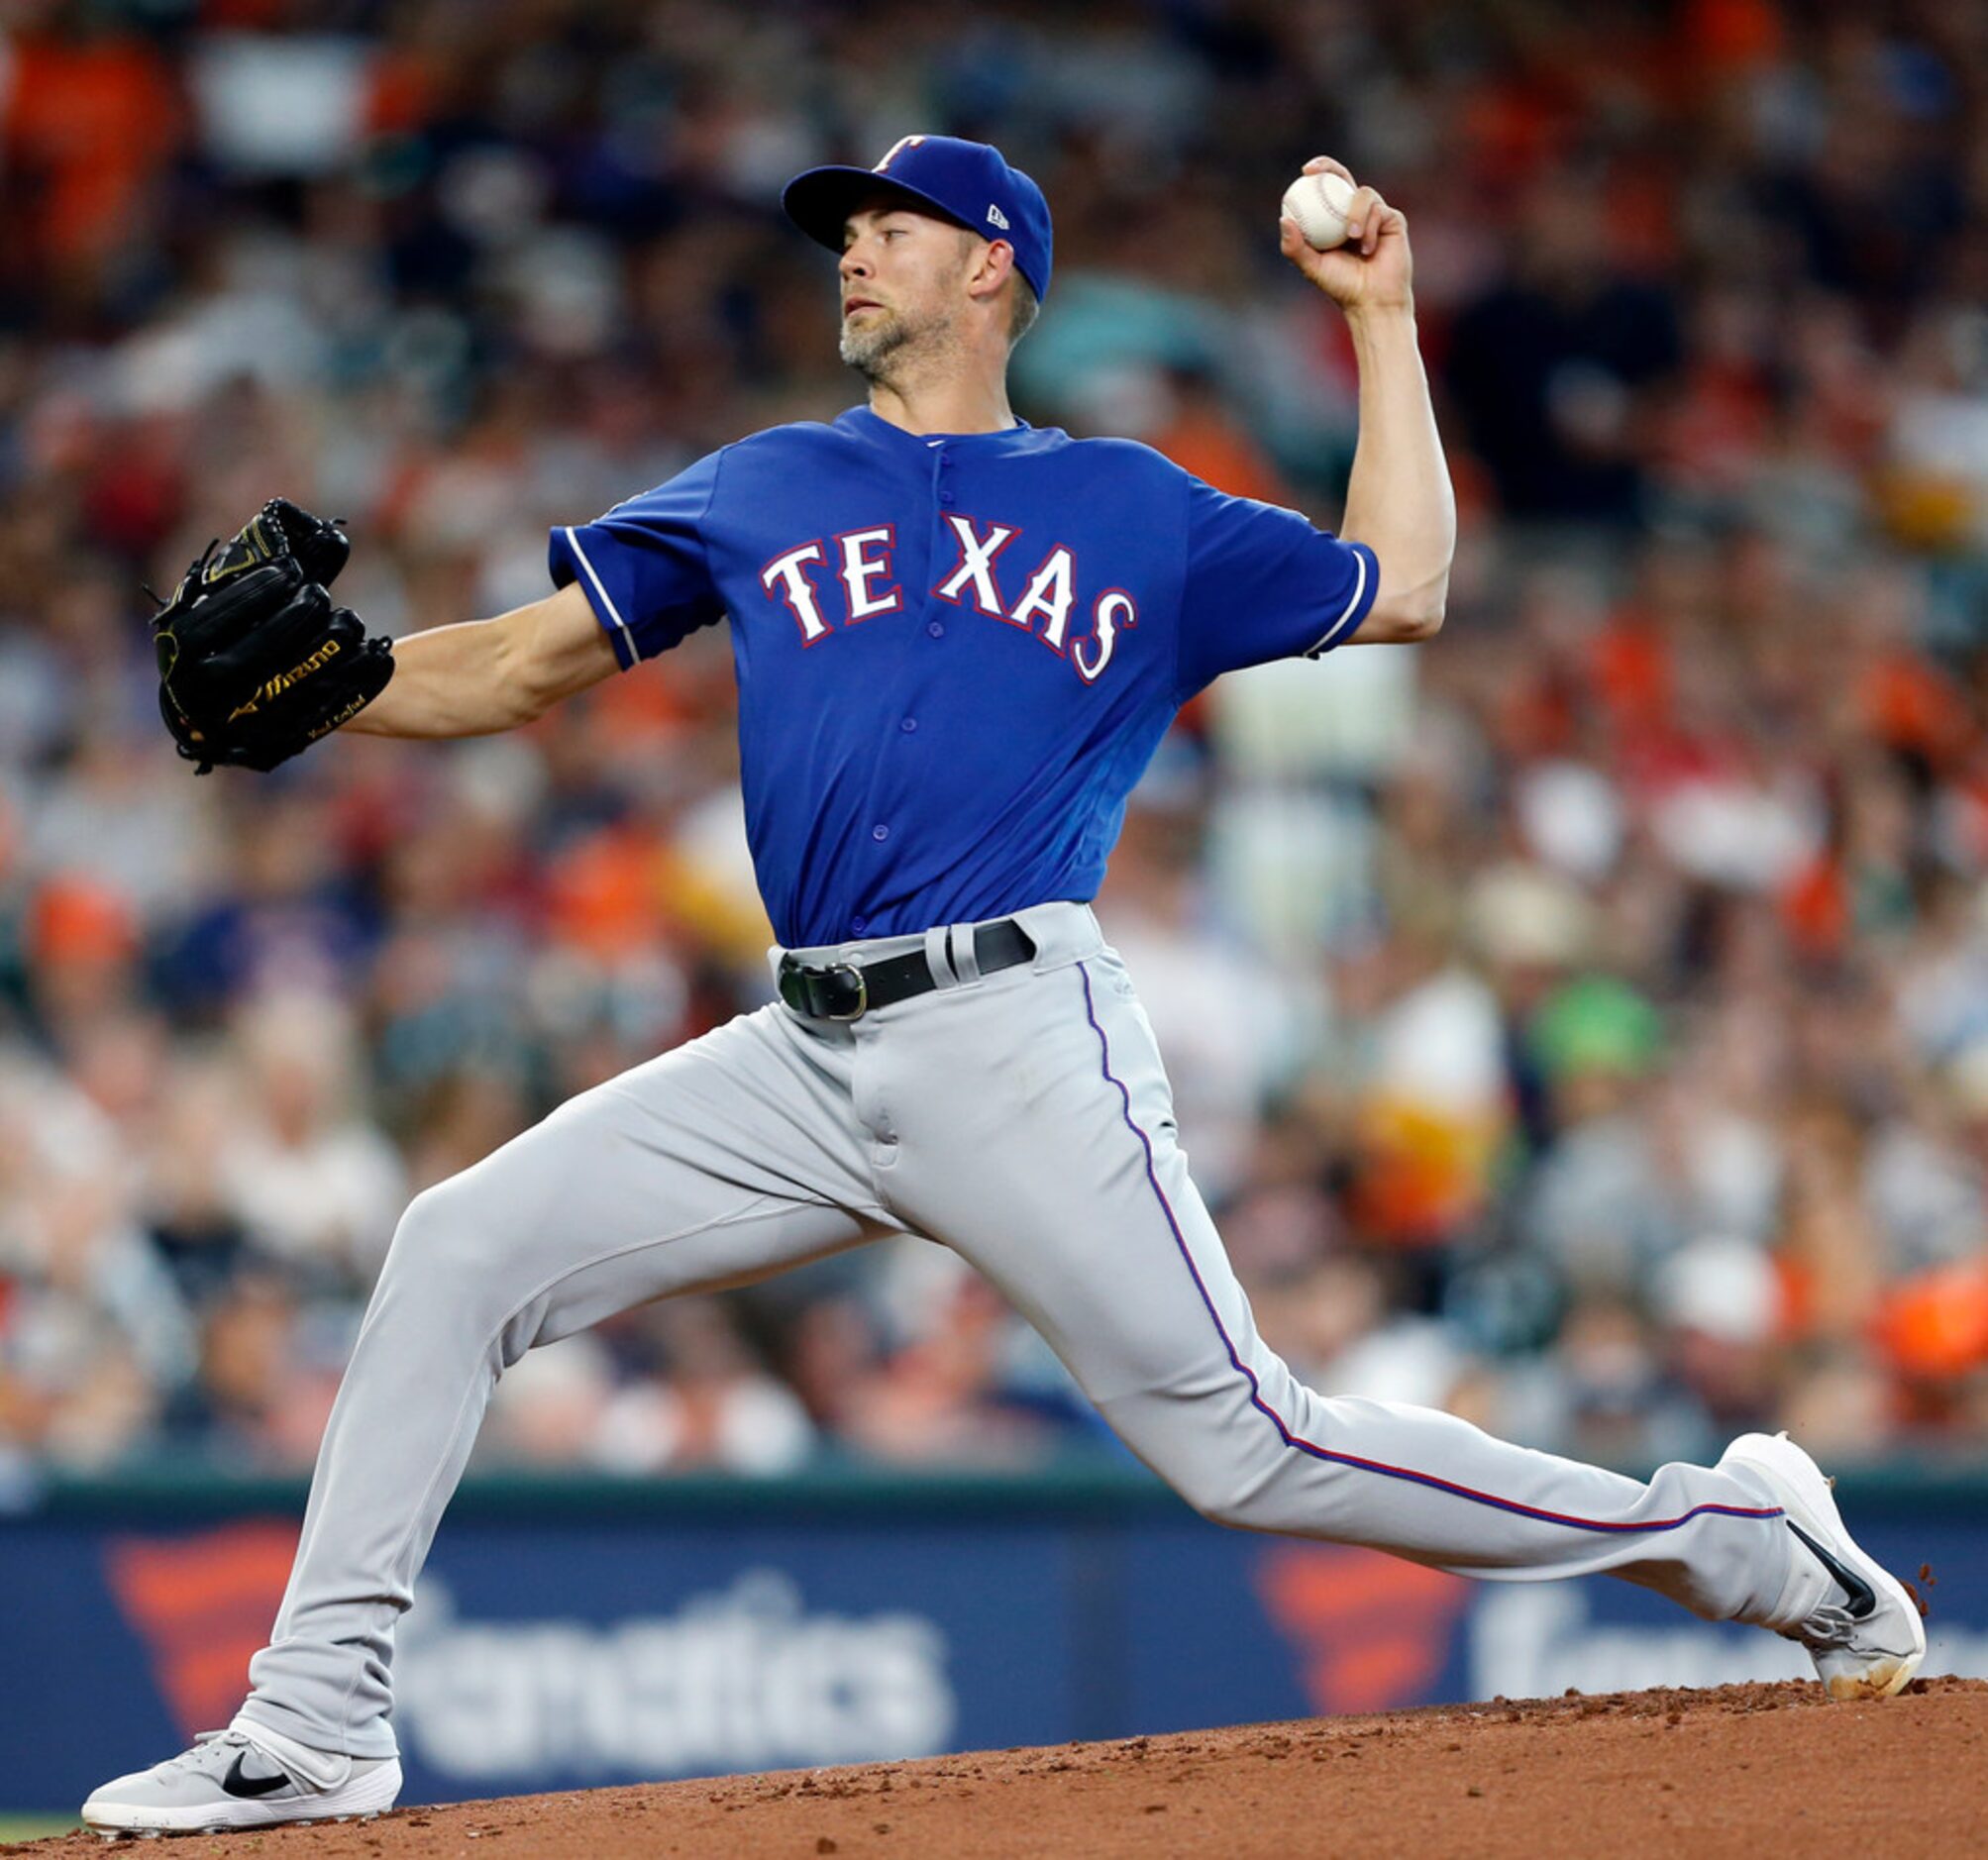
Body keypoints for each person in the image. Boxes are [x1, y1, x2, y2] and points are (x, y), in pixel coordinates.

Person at [82, 138, 1923, 1838]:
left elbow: (1410, 584)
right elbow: (512, 665)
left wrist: (1380, 322)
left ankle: (1739, 1535)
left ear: (994, 272)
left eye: (888, 229)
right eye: (844, 233)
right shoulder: (769, 479)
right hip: (797, 1049)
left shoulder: (1133, 507)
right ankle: (317, 1720)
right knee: (455, 1248)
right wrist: (334, 678)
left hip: (1015, 1032)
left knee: (1251, 1449)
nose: (853, 255)